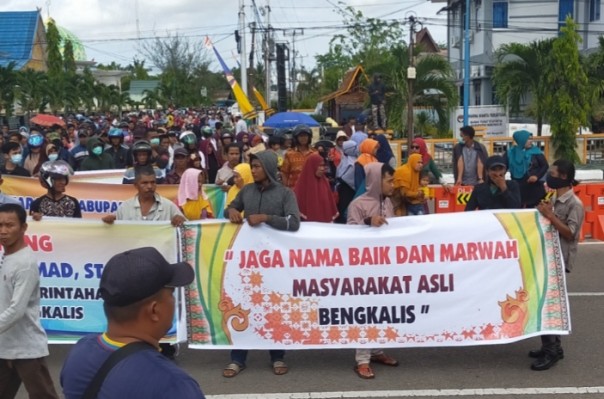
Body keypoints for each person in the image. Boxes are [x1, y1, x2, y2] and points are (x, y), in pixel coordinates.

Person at [60, 247, 205, 398]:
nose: (174, 301)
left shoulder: (80, 350)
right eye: (171, 293)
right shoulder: (174, 384)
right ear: (154, 310)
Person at [224, 150, 300, 378]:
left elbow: (294, 222)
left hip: (274, 262)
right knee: (242, 305)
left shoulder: (285, 194)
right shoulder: (246, 191)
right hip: (247, 260)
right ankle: (238, 359)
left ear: (267, 168)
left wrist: (266, 218)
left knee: (273, 306)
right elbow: (231, 207)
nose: (253, 170)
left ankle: (277, 356)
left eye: (256, 167)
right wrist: (233, 211)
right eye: (252, 167)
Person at [0, 203, 60, 399]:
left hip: (26, 350)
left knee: (43, 396)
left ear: (23, 228)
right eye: (0, 225)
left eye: (10, 225)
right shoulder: (5, 256)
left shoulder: (25, 263)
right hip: (4, 346)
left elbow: (16, 310)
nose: (3, 231)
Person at [531, 159, 584, 371]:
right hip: (549, 257)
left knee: (548, 304)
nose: (548, 176)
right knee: (543, 301)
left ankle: (552, 350)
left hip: (560, 258)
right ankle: (552, 347)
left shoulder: (574, 204)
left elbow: (571, 234)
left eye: (552, 173)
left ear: (562, 177)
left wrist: (551, 216)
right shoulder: (554, 197)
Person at [347, 162, 399, 379]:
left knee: (382, 311)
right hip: (363, 269)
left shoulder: (388, 203)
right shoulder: (357, 205)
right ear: (376, 181)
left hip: (384, 267)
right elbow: (348, 233)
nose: (393, 185)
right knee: (365, 313)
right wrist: (368, 221)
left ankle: (376, 350)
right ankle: (362, 359)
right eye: (389, 180)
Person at [104, 165, 186, 227]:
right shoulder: (125, 208)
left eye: (153, 182)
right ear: (136, 185)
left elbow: (186, 227)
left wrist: (181, 220)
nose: (150, 186)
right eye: (145, 183)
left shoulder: (168, 206)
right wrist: (110, 223)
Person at [505, 130, 548, 208]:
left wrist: (537, 176)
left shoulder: (536, 151)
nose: (530, 141)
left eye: (531, 139)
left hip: (535, 189)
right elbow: (503, 167)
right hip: (518, 189)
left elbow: (545, 166)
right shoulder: (511, 153)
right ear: (521, 140)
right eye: (528, 139)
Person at [294, 153, 338, 223]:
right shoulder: (302, 185)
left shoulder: (325, 182)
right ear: (312, 166)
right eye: (319, 166)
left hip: (325, 225)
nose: (322, 169)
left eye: (323, 166)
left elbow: (329, 202)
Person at [281, 124, 316, 190]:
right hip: (294, 191)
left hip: (311, 190)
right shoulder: (289, 154)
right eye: (301, 136)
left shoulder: (315, 153)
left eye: (305, 135)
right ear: (296, 138)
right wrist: (285, 190)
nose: (303, 138)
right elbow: (284, 173)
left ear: (309, 137)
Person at [335, 140, 358, 224]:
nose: (357, 149)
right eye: (355, 147)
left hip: (345, 189)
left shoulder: (348, 160)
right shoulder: (351, 161)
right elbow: (345, 176)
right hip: (347, 190)